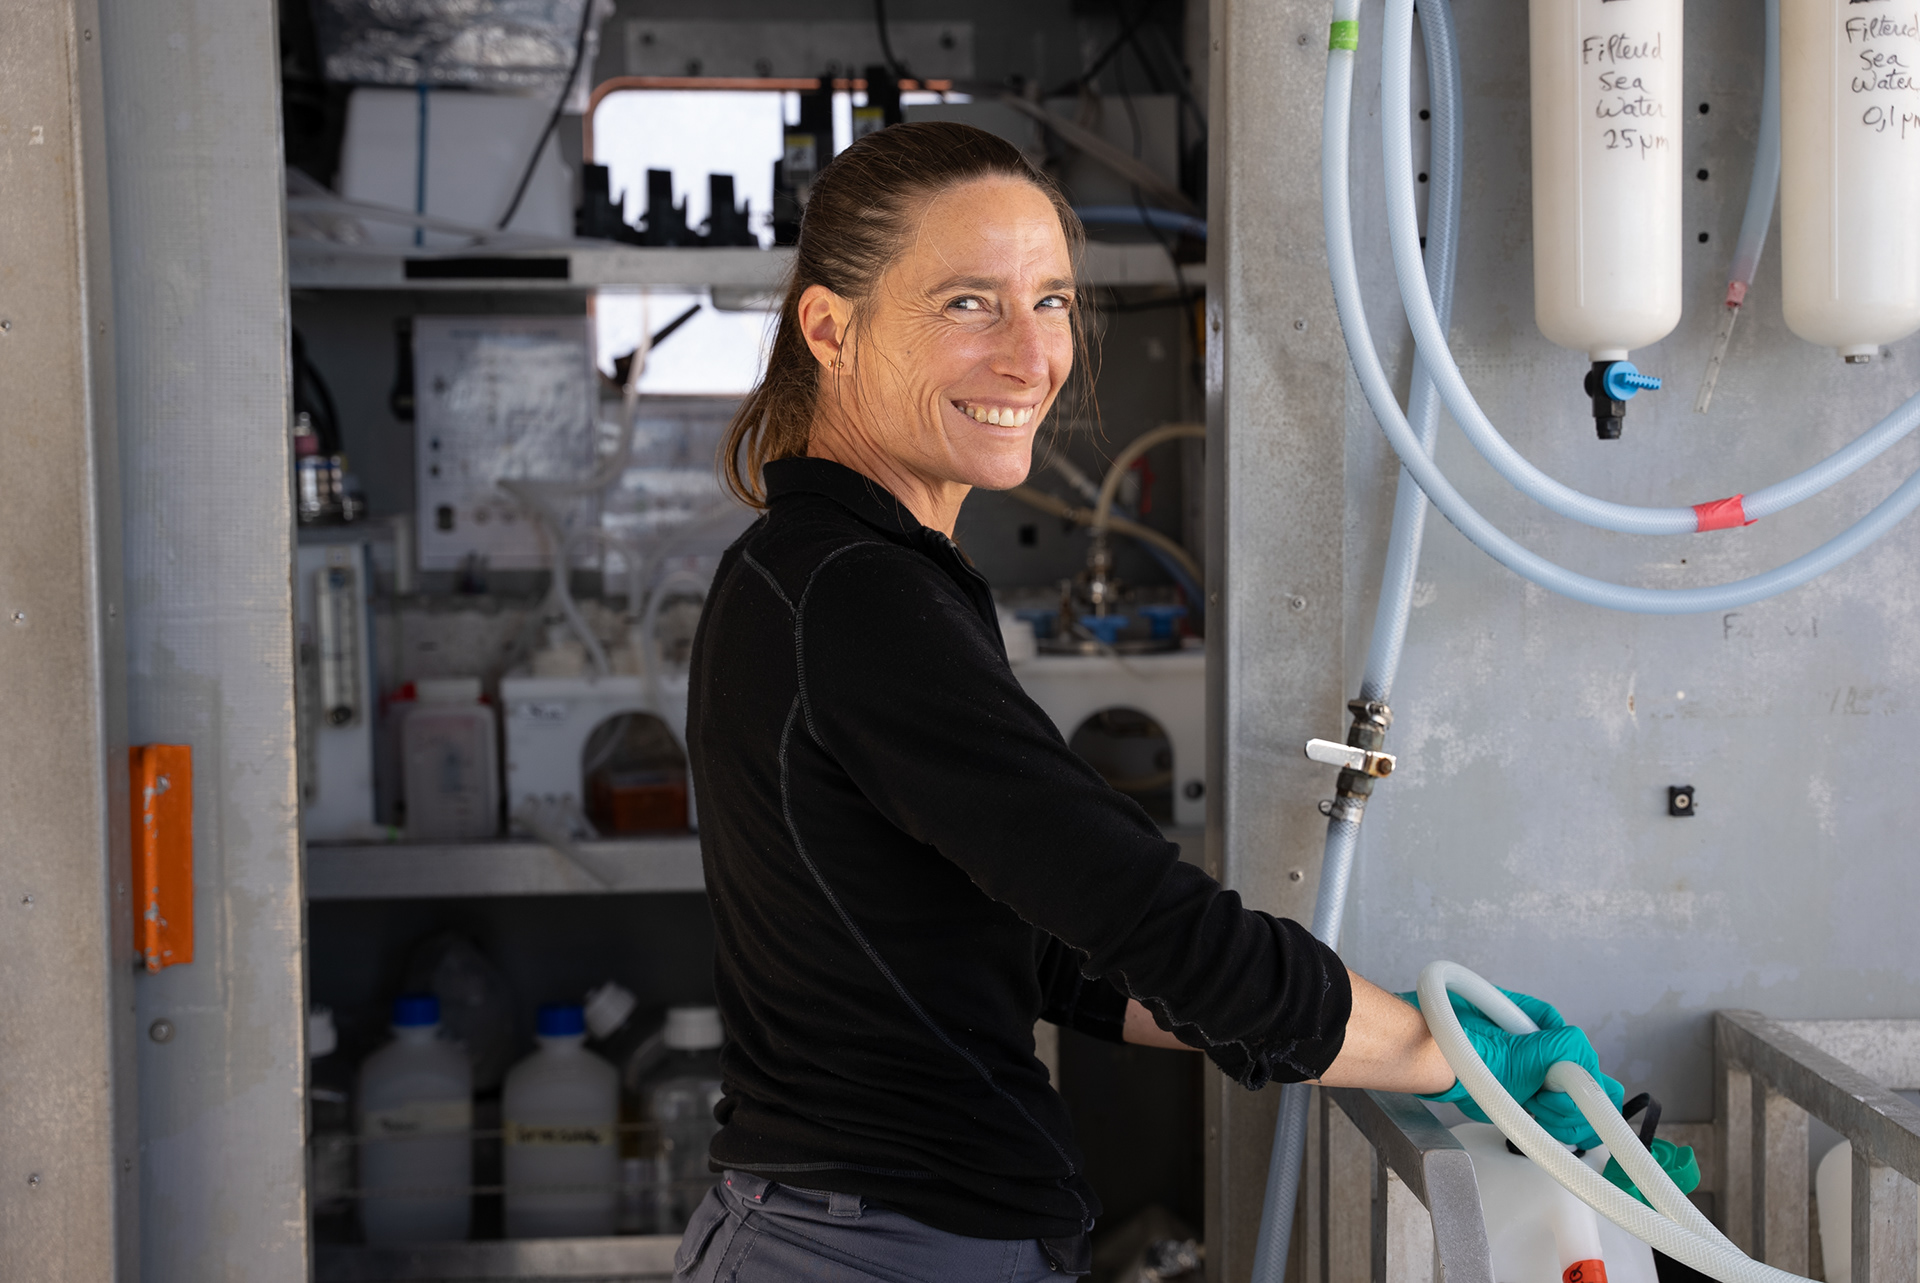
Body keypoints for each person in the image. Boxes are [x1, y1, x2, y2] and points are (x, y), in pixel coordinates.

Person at [677, 121, 1618, 1282]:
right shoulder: (857, 596)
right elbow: (1145, 916)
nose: (1033, 358)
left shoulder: (819, 568)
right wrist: (1444, 1057)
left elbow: (1048, 949)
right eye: (971, 303)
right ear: (830, 326)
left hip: (852, 1229)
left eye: (1054, 301)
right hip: (869, 1248)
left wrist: (1408, 1036)